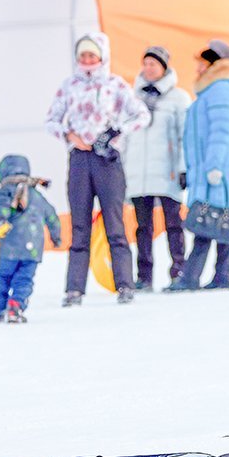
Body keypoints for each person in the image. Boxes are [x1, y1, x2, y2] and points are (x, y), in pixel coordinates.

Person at [46, 32, 150, 306]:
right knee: (80, 225)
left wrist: (116, 132)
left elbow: (141, 114)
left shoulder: (115, 85)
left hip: (108, 160)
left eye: (92, 55)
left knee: (114, 223)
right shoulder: (70, 85)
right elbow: (51, 120)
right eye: (83, 55)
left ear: (102, 56)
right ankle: (74, 289)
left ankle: (125, 285)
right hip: (80, 160)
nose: (88, 60)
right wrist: (70, 136)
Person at [166, 39, 229, 291]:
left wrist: (213, 166)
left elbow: (221, 132)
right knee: (218, 220)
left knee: (208, 222)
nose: (198, 67)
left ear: (215, 64)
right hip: (213, 169)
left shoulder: (220, 90)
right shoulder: (212, 91)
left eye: (202, 63)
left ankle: (191, 278)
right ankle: (222, 277)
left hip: (218, 169)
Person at [123, 46, 190, 291]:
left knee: (173, 223)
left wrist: (184, 167)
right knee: (143, 227)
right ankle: (144, 275)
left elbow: (185, 135)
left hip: (167, 171)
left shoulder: (178, 98)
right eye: (146, 63)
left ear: (164, 67)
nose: (149, 68)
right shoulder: (132, 98)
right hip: (138, 173)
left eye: (154, 64)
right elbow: (125, 136)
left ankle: (178, 270)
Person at [0, 154, 61, 323]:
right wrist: (56, 236)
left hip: (10, 248)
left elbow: (1, 209)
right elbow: (51, 216)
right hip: (33, 249)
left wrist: (1, 220)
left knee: (3, 277)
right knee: (25, 279)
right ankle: (16, 305)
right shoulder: (36, 195)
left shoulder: (4, 191)